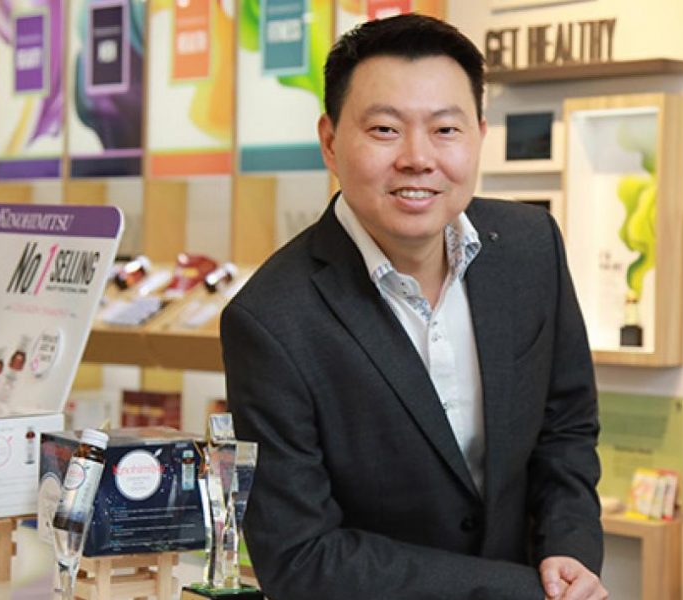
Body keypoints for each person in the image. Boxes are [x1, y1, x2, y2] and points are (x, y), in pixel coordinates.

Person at [220, 14, 606, 600]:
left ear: (479, 134)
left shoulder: (531, 247)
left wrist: (568, 548)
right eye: (384, 129)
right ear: (330, 141)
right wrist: (518, 591)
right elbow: (298, 556)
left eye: (446, 129)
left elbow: (566, 426)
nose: (418, 158)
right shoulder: (272, 320)